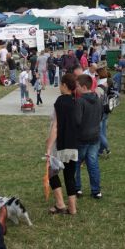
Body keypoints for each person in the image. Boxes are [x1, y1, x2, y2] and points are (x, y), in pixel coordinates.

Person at [46, 73, 79, 215]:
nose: (59, 87)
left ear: (65, 85)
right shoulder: (75, 101)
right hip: (74, 145)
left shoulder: (60, 101)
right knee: (70, 176)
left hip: (61, 144)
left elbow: (56, 126)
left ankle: (60, 204)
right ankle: (72, 209)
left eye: (60, 84)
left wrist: (48, 147)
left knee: (52, 172)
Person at [74, 74, 104, 199]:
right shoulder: (98, 99)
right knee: (93, 163)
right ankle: (96, 191)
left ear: (84, 87)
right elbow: (101, 116)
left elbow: (77, 121)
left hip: (82, 138)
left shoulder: (80, 101)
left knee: (76, 163)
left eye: (77, 86)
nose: (76, 88)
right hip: (94, 136)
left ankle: (77, 188)